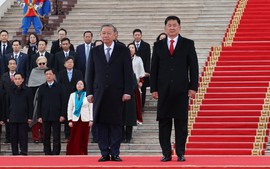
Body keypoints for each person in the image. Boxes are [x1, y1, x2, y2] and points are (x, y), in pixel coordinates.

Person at [150, 16, 199, 162]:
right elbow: (154, 68)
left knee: (181, 123)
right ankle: (166, 153)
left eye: (174, 25)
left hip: (181, 90)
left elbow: (194, 67)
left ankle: (181, 153)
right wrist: (154, 88)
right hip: (163, 90)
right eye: (169, 25)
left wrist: (193, 87)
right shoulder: (158, 45)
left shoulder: (188, 44)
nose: (172, 28)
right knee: (164, 123)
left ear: (179, 27)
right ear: (165, 28)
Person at [86, 23, 133, 162]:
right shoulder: (95, 51)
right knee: (100, 124)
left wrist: (127, 91)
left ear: (115, 35)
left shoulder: (122, 50)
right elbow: (90, 73)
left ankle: (115, 152)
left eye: (108, 33)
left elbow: (128, 73)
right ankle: (104, 152)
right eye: (103, 33)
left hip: (117, 94)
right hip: (99, 93)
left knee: (116, 124)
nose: (105, 35)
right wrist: (89, 92)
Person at [37, 68, 65, 155]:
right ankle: (47, 152)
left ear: (53, 75)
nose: (48, 76)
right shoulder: (41, 88)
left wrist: (62, 115)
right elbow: (39, 103)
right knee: (46, 136)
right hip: (45, 115)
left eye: (50, 74)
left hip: (57, 115)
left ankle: (56, 152)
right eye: (46, 74)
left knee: (56, 136)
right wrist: (39, 116)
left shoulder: (60, 87)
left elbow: (63, 102)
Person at [6, 73, 33, 155]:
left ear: (22, 80)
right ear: (13, 80)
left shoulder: (27, 90)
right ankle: (15, 152)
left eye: (19, 79)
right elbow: (7, 104)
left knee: (23, 136)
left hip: (24, 117)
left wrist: (30, 117)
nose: (17, 81)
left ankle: (24, 152)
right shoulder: (9, 90)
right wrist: (7, 116)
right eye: (16, 79)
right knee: (13, 136)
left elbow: (30, 105)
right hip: (13, 116)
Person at [58, 56, 83, 142]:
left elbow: (81, 84)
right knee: (67, 116)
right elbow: (59, 85)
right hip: (64, 97)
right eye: (68, 62)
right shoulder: (61, 73)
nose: (69, 63)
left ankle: (76, 135)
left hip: (76, 96)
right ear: (64, 64)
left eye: (71, 62)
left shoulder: (78, 73)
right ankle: (67, 135)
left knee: (76, 116)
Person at [66, 80, 93, 155]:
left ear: (84, 86)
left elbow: (91, 108)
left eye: (81, 84)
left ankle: (83, 152)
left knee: (84, 137)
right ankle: (74, 152)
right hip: (75, 119)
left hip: (85, 119)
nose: (79, 85)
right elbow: (70, 108)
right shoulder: (72, 95)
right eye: (78, 84)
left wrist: (91, 119)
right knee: (75, 137)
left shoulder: (87, 95)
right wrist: (69, 120)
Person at [28, 56, 48, 143]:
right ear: (37, 63)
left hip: (46, 99)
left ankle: (44, 137)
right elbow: (31, 85)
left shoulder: (49, 72)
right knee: (35, 118)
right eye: (40, 63)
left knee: (45, 120)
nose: (42, 65)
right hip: (34, 99)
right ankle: (35, 137)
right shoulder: (34, 71)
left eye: (44, 63)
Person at [132, 29, 151, 113]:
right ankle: (134, 107)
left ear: (141, 36)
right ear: (133, 36)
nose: (137, 36)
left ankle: (141, 106)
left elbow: (148, 59)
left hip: (142, 72)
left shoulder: (146, 45)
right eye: (135, 35)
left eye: (138, 35)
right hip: (133, 72)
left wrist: (147, 71)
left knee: (142, 90)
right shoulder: (130, 46)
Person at [0, 58, 17, 143]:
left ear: (16, 65)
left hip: (17, 100)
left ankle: (15, 137)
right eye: (11, 64)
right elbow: (2, 88)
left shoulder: (19, 75)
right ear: (8, 66)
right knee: (7, 118)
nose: (12, 65)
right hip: (6, 100)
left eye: (14, 64)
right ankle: (8, 137)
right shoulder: (4, 76)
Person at [127, 43, 145, 124]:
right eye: (129, 47)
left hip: (136, 83)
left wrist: (141, 81)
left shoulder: (138, 59)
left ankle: (138, 118)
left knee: (137, 101)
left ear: (135, 49)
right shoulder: (124, 58)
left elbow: (141, 71)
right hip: (126, 83)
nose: (131, 49)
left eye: (133, 47)